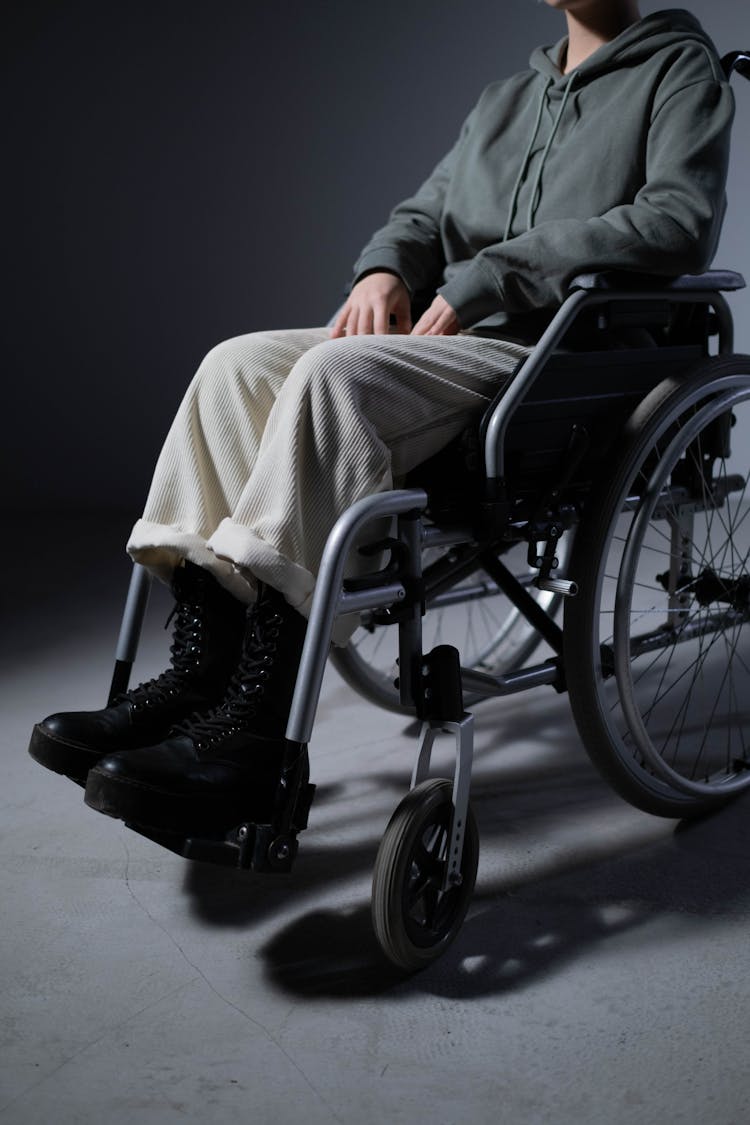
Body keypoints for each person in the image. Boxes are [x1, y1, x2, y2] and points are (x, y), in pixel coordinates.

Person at [29, 0, 734, 835]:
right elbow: (425, 216)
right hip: (451, 341)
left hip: (555, 356)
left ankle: (258, 737)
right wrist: (384, 269)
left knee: (334, 375)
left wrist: (493, 278)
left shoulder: (678, 70)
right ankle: (199, 677)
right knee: (234, 365)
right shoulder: (507, 97)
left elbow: (676, 222)